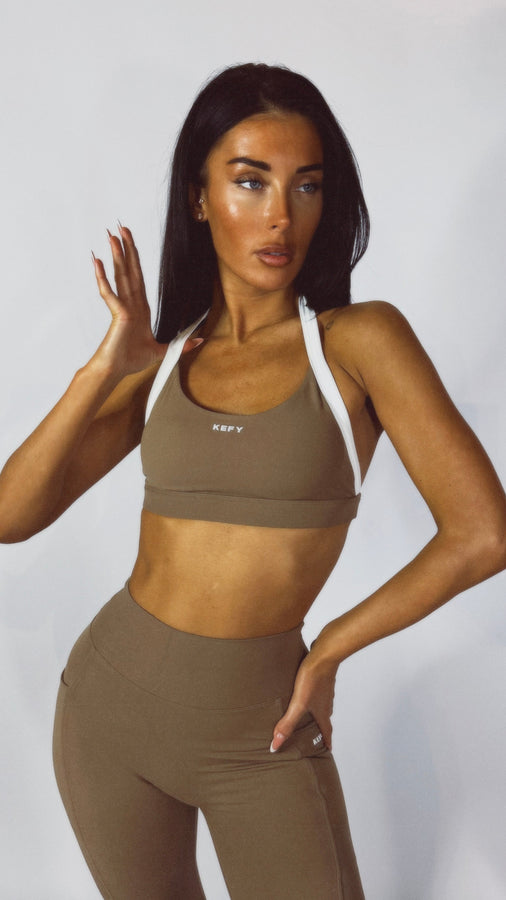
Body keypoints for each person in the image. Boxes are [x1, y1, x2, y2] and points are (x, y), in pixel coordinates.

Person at [0, 62, 504, 900]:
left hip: (262, 734)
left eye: (306, 185)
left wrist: (331, 646)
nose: (280, 215)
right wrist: (103, 368)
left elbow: (483, 534)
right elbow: (10, 515)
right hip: (107, 714)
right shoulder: (167, 361)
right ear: (199, 199)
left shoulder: (358, 343)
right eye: (250, 181)